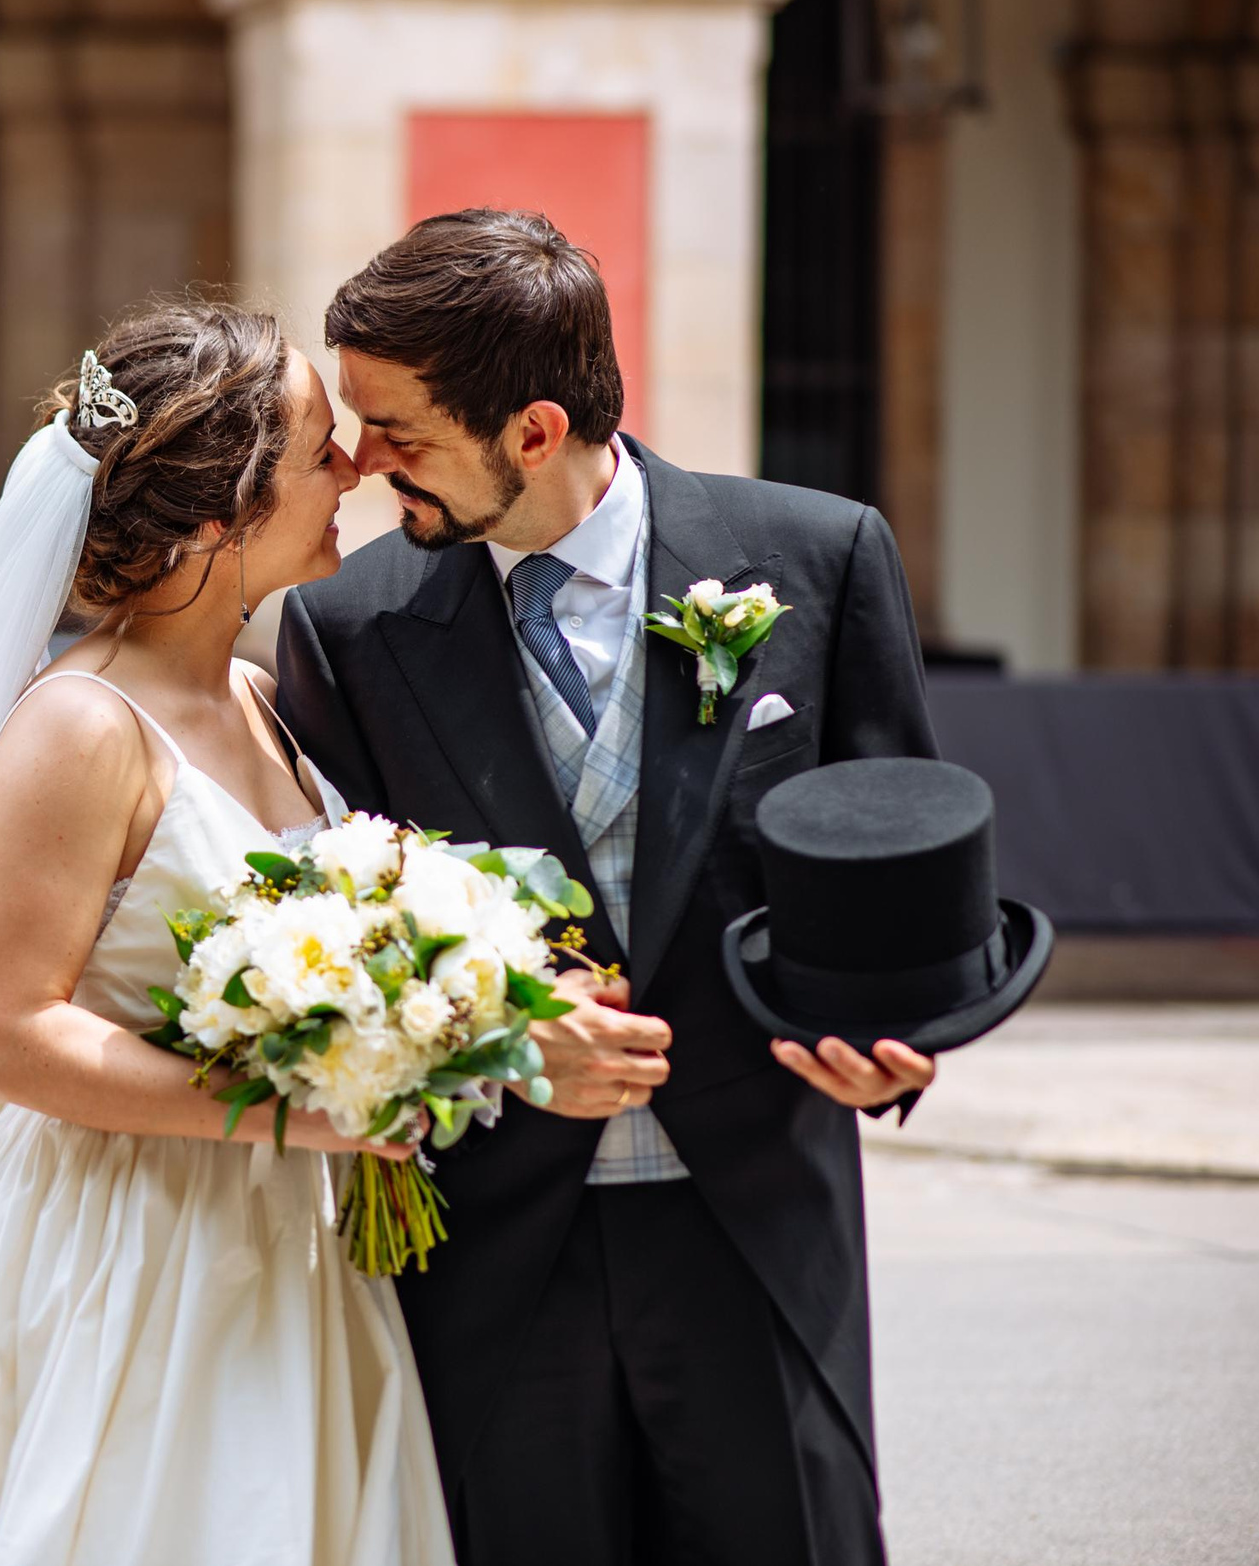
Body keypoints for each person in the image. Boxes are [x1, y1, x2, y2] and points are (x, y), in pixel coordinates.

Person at [0, 301, 497, 1565]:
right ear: (218, 515)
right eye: (319, 451)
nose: (354, 469)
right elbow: (10, 1039)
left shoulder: (258, 695)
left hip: (290, 1241)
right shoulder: (81, 726)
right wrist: (291, 1110)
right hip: (125, 1251)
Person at [278, 207, 939, 1566]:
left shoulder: (820, 558)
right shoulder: (346, 630)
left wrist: (900, 1047)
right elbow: (330, 932)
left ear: (530, 431)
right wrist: (504, 1041)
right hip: (497, 1252)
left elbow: (896, 869)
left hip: (753, 1230)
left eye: (395, 428)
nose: (357, 461)